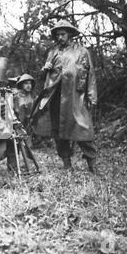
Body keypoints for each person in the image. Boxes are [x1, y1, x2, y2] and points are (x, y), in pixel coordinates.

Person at [32, 19, 97, 173]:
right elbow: (42, 77)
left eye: (63, 34)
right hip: (54, 97)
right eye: (57, 35)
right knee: (59, 132)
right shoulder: (52, 52)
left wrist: (91, 96)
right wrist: (44, 69)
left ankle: (92, 164)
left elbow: (90, 74)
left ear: (69, 34)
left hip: (75, 97)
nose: (60, 37)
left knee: (83, 129)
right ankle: (67, 164)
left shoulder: (81, 51)